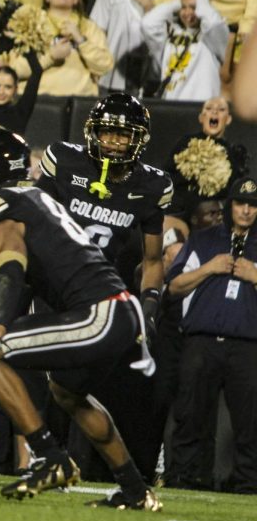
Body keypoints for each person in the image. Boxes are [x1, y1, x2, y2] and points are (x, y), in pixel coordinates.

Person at [0, 127, 161, 510]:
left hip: (98, 313)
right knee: (67, 393)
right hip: (118, 312)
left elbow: (11, 258)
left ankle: (51, 458)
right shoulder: (32, 195)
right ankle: (136, 491)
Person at [37, 93, 172, 357]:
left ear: (138, 139)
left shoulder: (152, 186)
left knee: (67, 388)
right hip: (48, 281)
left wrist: (149, 310)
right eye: (106, 132)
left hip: (95, 292)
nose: (112, 141)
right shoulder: (65, 161)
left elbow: (153, 261)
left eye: (122, 134)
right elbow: (30, 221)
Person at [165, 175, 257, 493]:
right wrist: (209, 268)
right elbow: (173, 286)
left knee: (250, 422)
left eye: (253, 206)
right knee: (191, 415)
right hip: (201, 342)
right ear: (230, 205)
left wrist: (255, 274)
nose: (246, 211)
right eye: (241, 204)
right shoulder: (203, 241)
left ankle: (248, 484)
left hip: (248, 346)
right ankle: (184, 477)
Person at [143, 0, 229, 102]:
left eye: (194, 7)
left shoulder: (212, 36)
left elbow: (213, 23)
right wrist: (176, 3)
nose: (188, 12)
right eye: (184, 7)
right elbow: (147, 24)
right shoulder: (171, 33)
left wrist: (203, 1)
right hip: (171, 107)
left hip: (201, 108)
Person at [33, 0, 113, 96]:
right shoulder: (32, 25)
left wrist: (81, 40)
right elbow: (18, 68)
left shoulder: (88, 27)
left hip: (79, 100)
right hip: (38, 98)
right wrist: (51, 56)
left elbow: (104, 66)